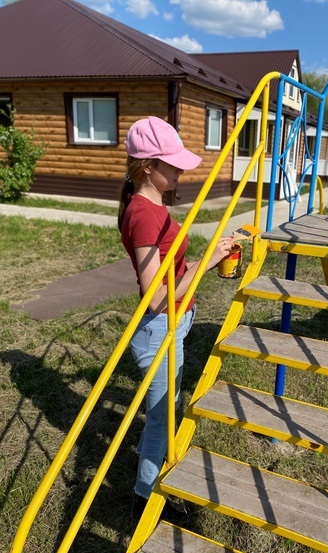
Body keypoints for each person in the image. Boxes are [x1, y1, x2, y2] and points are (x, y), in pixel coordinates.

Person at [118, 116, 233, 510]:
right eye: (173, 164)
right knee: (164, 418)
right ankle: (146, 495)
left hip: (172, 324)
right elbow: (154, 297)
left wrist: (210, 254)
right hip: (158, 328)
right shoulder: (144, 213)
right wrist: (208, 261)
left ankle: (147, 454)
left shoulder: (152, 202)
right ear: (148, 166)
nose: (182, 170)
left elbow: (170, 266)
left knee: (164, 411)